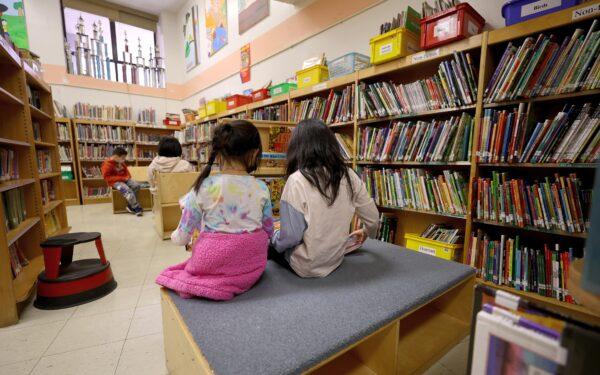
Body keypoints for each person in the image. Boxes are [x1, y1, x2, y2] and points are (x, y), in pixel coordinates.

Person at [156, 121, 274, 300]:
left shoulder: (204, 186)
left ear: (217, 152)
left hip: (211, 262)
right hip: (252, 266)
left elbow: (181, 238)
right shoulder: (261, 188)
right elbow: (268, 231)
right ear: (255, 153)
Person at [270, 119, 379, 278]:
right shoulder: (349, 175)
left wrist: (274, 238)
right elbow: (373, 219)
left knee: (268, 238)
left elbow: (290, 238)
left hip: (304, 266)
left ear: (297, 148)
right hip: (335, 259)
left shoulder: (297, 180)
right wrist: (366, 231)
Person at [101, 146, 142, 216]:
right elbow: (107, 178)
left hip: (124, 179)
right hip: (114, 182)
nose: (124, 160)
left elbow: (126, 171)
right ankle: (135, 207)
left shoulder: (120, 162)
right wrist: (122, 179)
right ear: (116, 157)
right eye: (123, 158)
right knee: (127, 190)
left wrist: (128, 177)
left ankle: (130, 206)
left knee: (136, 185)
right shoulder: (106, 165)